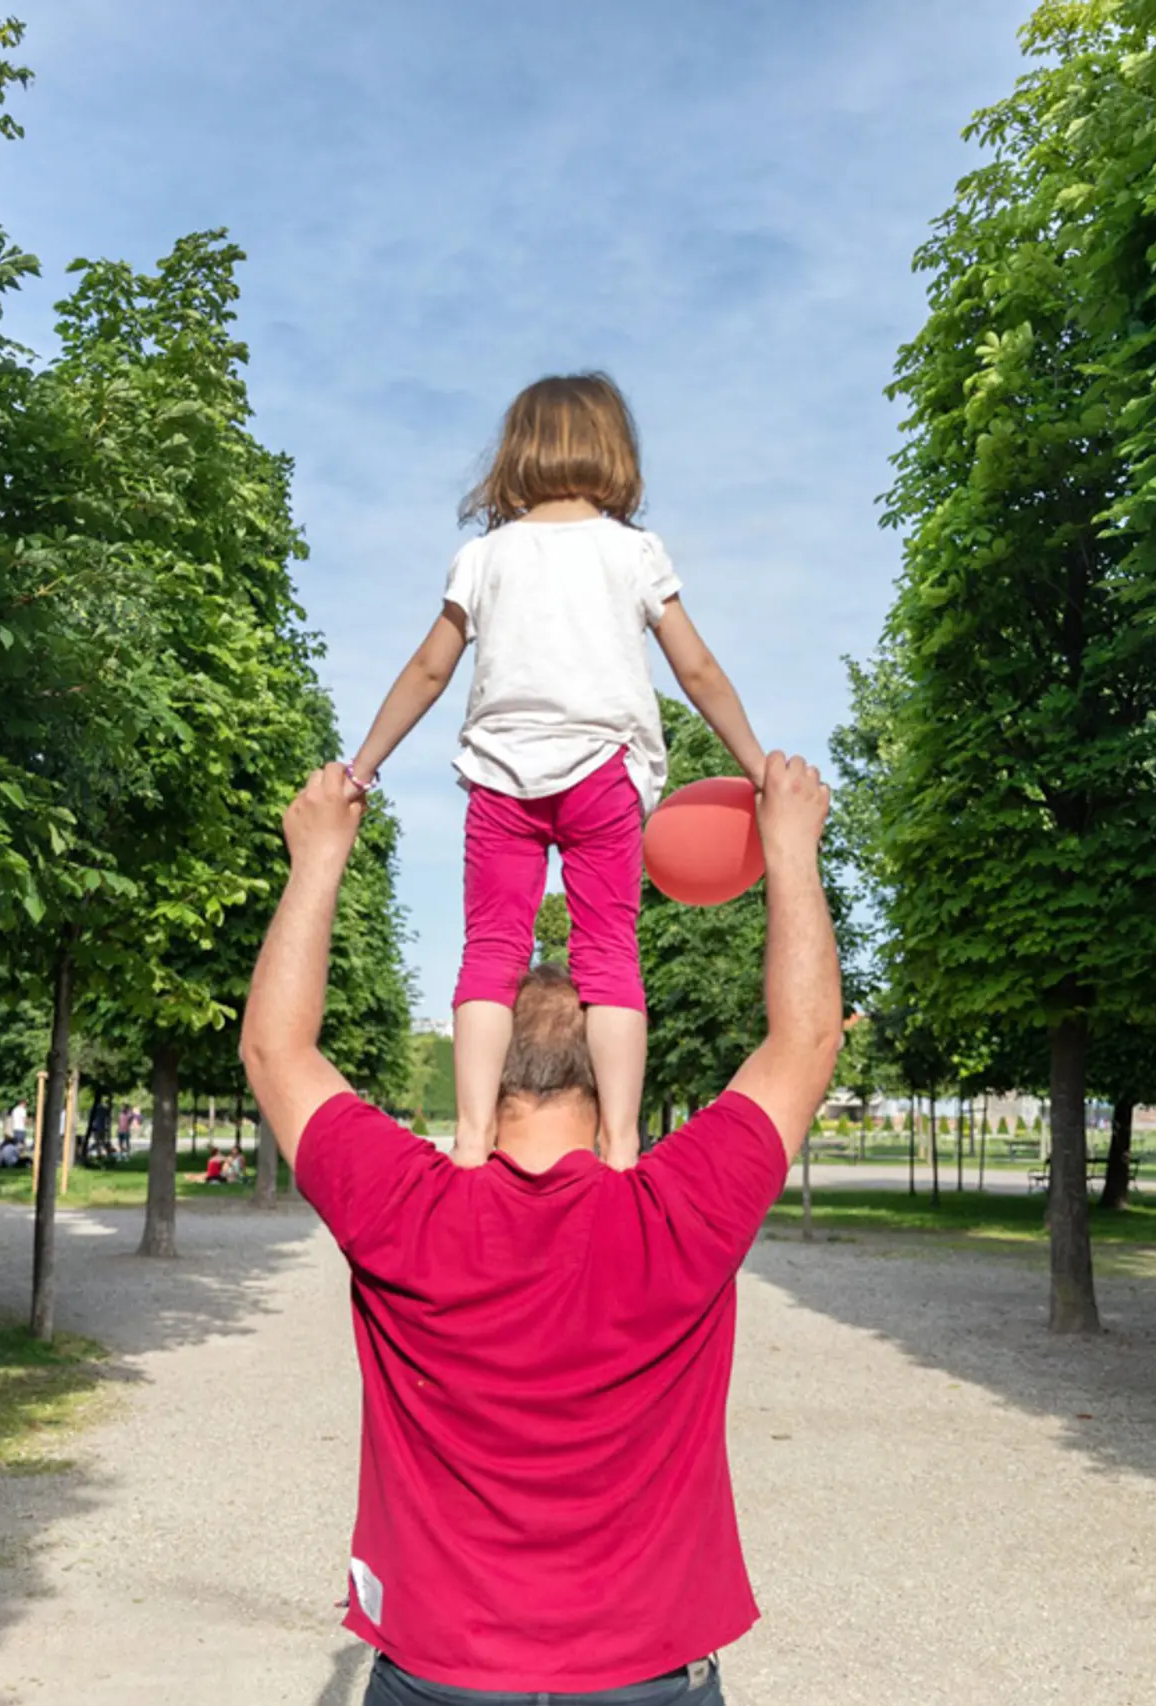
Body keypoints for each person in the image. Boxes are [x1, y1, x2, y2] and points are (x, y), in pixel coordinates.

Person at [240, 753, 840, 1704]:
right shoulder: (678, 1212)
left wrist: (316, 856)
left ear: (485, 1066)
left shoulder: (407, 1208)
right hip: (646, 1676)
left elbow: (276, 1047)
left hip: (442, 1674)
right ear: (611, 1072)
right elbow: (805, 1040)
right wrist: (792, 851)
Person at [343, 374, 767, 1170]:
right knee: (609, 954)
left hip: (501, 776)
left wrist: (362, 768)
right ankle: (619, 1143)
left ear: (517, 453)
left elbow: (430, 670)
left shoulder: (483, 556)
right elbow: (698, 670)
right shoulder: (633, 552)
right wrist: (759, 767)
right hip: (601, 774)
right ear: (614, 451)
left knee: (489, 954)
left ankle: (470, 1140)